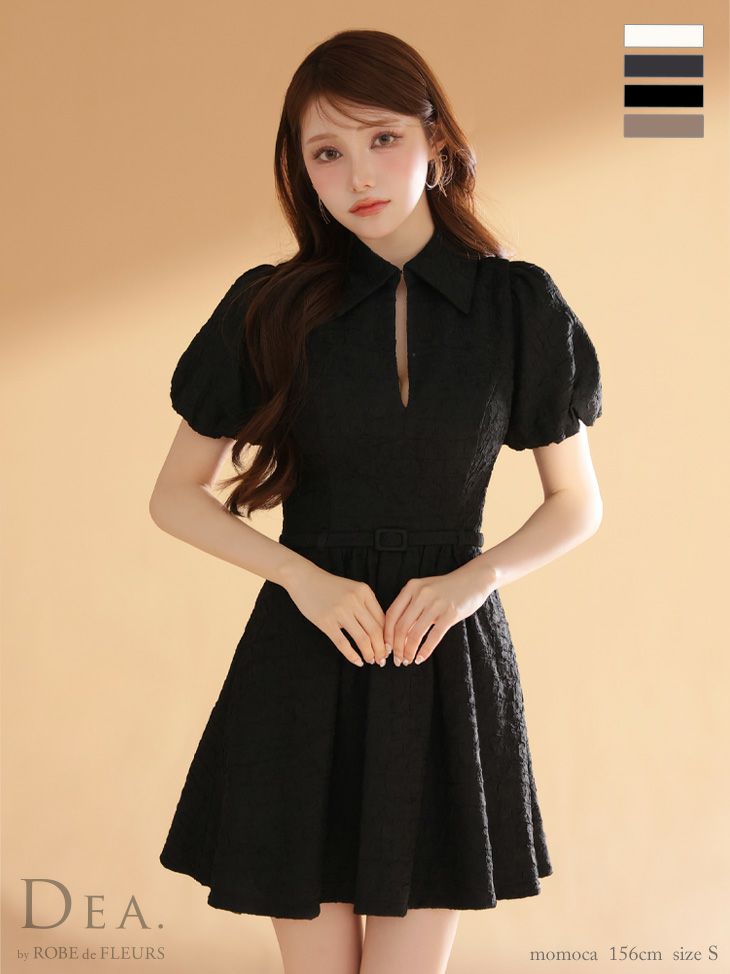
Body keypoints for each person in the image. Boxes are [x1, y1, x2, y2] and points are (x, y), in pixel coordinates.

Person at [150, 28, 604, 974]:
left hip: (439, 654)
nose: (358, 173)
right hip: (304, 656)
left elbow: (574, 503)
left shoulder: (517, 306)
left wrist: (476, 580)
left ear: (436, 140)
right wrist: (301, 580)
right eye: (327, 152)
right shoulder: (271, 306)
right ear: (301, 171)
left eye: (383, 138)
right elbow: (175, 497)